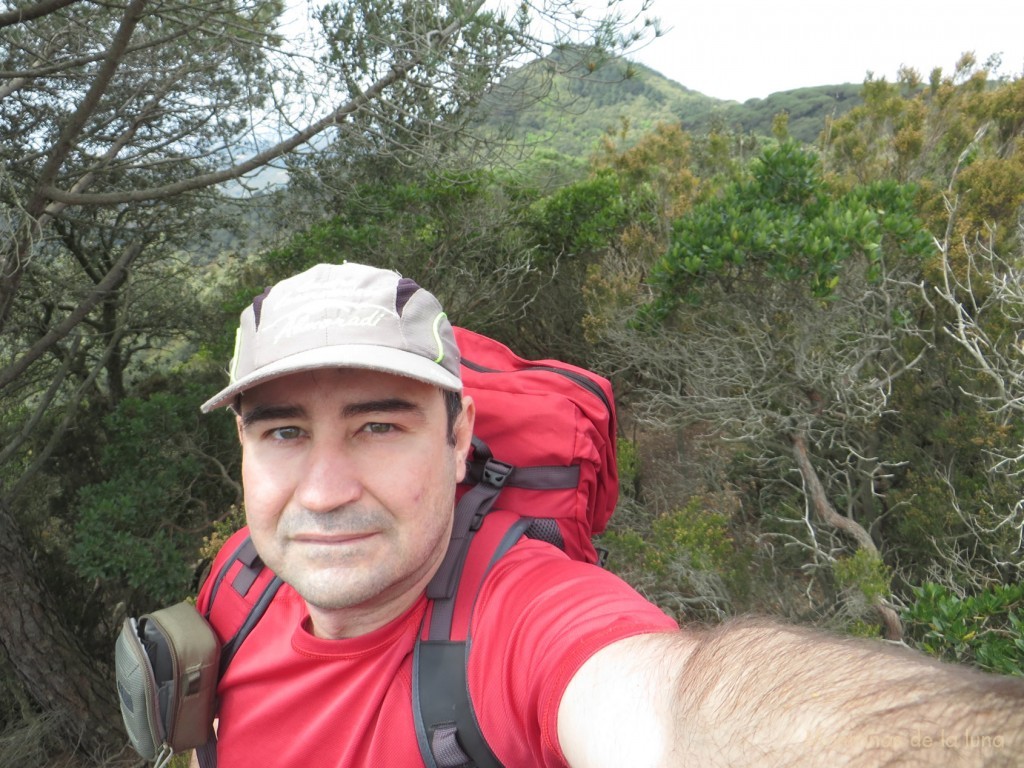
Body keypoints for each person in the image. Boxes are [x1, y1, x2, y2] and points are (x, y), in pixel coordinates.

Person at [195, 261, 1024, 768]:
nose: (325, 491)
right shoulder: (241, 580)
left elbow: (675, 707)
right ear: (243, 447)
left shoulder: (523, 621)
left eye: (379, 426)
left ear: (457, 442)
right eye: (284, 432)